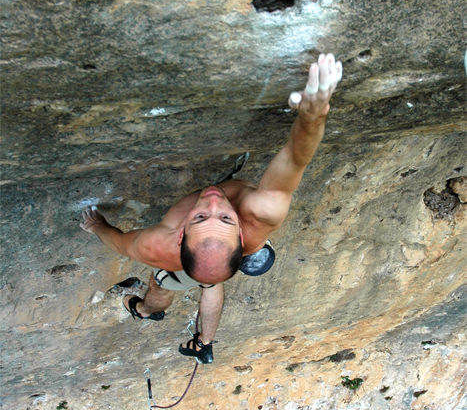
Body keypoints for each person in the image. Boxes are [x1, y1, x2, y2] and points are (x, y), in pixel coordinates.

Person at [80, 53, 343, 363]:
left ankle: (146, 309)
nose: (215, 199)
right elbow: (295, 158)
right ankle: (192, 335)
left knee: (163, 281)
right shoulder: (259, 214)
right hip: (219, 260)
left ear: (182, 235)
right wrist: (313, 118)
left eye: (202, 216)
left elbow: (121, 243)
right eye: (223, 217)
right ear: (242, 237)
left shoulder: (159, 246)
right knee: (207, 279)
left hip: (206, 263)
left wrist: (97, 226)